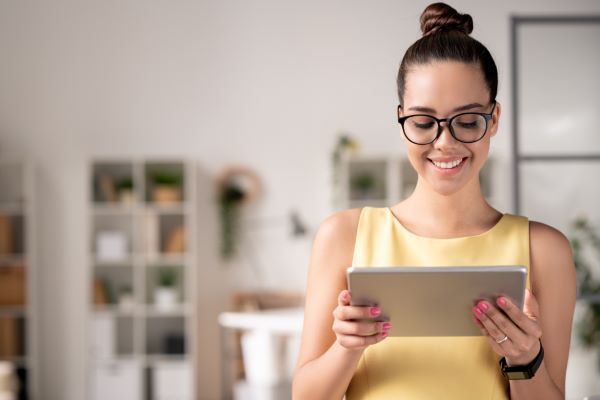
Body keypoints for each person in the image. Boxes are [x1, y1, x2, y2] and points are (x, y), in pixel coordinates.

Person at [292, 2, 576, 399]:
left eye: (468, 120)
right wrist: (347, 347)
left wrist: (524, 359)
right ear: (401, 119)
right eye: (424, 122)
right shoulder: (343, 235)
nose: (445, 142)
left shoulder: (545, 250)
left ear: (493, 119)